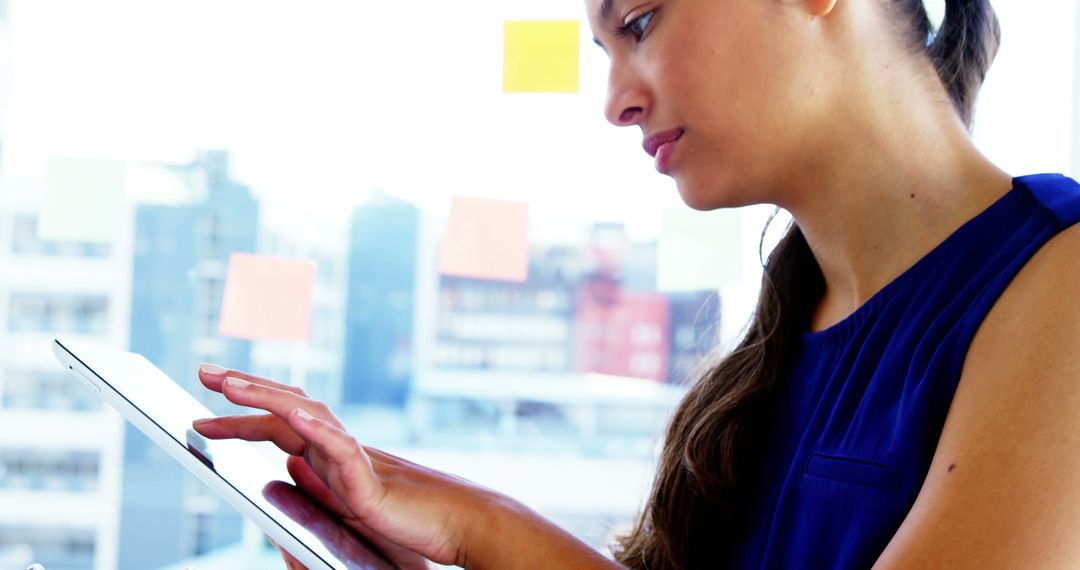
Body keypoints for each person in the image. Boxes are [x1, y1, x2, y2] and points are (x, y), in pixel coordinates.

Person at [192, 0, 1080, 567]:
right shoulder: (784, 335)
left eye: (642, 23)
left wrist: (484, 526)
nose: (615, 100)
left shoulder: (1061, 286)